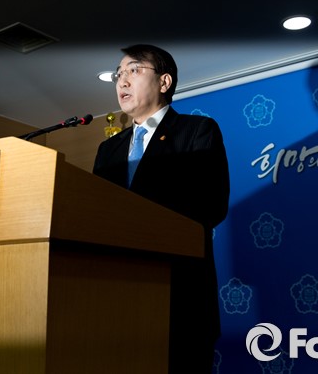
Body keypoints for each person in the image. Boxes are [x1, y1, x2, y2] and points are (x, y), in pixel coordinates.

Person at [93, 44, 230, 374]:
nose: (122, 81)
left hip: (180, 294)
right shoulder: (108, 149)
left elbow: (211, 204)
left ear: (164, 82)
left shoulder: (197, 131)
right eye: (118, 75)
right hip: (116, 296)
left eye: (134, 71)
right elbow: (96, 213)